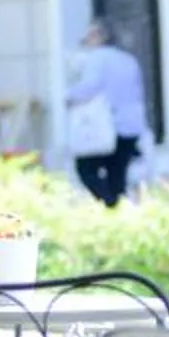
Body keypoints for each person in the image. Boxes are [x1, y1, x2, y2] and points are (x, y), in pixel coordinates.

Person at [63, 20, 150, 206]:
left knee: (86, 169)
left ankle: (109, 205)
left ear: (98, 37)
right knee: (117, 174)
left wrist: (67, 97)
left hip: (105, 127)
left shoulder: (97, 58)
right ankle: (117, 209)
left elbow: (89, 87)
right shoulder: (129, 60)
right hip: (130, 127)